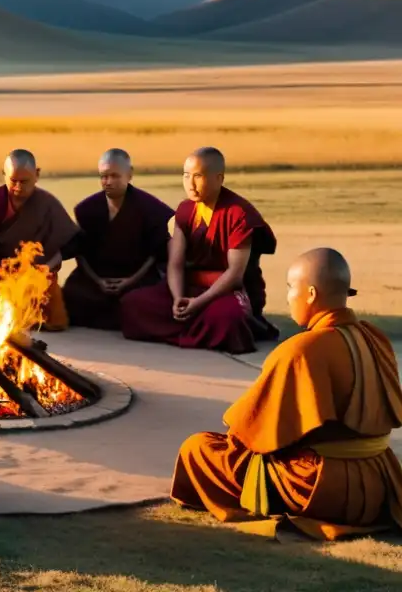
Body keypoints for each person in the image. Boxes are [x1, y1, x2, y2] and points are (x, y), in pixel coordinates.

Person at [171, 248, 402, 540]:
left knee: (198, 449)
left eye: (292, 288)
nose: (289, 296)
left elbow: (249, 435)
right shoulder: (375, 338)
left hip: (324, 490)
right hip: (380, 482)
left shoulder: (302, 350)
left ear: (311, 294)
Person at [120, 147, 278, 353]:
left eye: (198, 176)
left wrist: (198, 303)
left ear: (218, 178)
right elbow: (175, 263)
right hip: (189, 286)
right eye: (186, 176)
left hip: (225, 291)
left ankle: (192, 328)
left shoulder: (238, 214)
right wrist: (177, 297)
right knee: (131, 304)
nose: (191, 184)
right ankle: (198, 330)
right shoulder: (186, 210)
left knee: (229, 319)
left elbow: (235, 275)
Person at [0, 149, 80, 329]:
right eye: (13, 181)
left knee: (56, 320)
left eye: (24, 181)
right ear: (4, 175)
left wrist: (44, 269)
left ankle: (26, 318)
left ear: (37, 175)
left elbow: (70, 243)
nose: (18, 187)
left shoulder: (47, 203)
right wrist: (0, 273)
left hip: (36, 274)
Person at [62, 149, 175, 330]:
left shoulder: (149, 208)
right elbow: (80, 251)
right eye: (104, 176)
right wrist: (97, 281)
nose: (108, 182)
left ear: (129, 175)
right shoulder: (87, 208)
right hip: (96, 278)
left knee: (140, 301)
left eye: (115, 176)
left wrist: (129, 281)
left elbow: (156, 253)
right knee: (71, 295)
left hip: (137, 277)